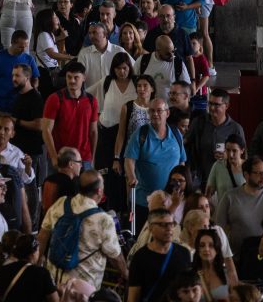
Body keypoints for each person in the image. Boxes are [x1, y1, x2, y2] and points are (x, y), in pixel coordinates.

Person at [37, 171, 127, 289]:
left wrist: (37, 265)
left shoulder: (61, 203)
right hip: (83, 287)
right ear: (99, 191)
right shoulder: (104, 219)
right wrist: (126, 273)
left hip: (54, 282)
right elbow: (115, 256)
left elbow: (42, 237)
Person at [124, 99, 186, 229]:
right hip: (143, 202)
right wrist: (131, 177)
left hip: (170, 201)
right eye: (152, 111)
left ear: (167, 113)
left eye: (159, 111)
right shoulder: (140, 134)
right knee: (140, 236)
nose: (155, 114)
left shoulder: (176, 134)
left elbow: (182, 161)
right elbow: (129, 160)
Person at [87, 52, 136, 214]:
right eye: (118, 69)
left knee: (123, 174)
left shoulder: (136, 83)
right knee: (105, 173)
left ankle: (124, 210)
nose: (122, 72)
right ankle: (104, 208)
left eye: (124, 68)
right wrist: (96, 117)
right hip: (107, 133)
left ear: (129, 68)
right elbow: (87, 93)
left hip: (127, 135)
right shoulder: (107, 82)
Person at [215, 156, 263, 256]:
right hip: (240, 256)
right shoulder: (230, 197)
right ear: (246, 175)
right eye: (258, 173)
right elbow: (218, 229)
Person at [10, 64, 48, 228]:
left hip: (32, 151)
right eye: (13, 75)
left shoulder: (35, 98)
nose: (14, 79)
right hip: (18, 150)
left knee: (31, 190)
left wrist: (16, 122)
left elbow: (39, 125)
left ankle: (32, 225)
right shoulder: (18, 96)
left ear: (27, 77)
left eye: (17, 76)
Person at [126, 209, 193, 302]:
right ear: (150, 228)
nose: (169, 228)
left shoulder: (184, 253)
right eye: (163, 225)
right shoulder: (140, 257)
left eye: (171, 224)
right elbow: (133, 296)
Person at [42, 62, 98, 171]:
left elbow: (93, 132)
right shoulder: (55, 99)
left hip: (84, 157)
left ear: (84, 78)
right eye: (69, 77)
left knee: (85, 188)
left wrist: (93, 157)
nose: (72, 81)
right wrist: (54, 157)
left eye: (76, 77)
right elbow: (46, 130)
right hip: (61, 157)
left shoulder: (92, 101)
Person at [0, 31, 40, 133]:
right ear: (12, 43)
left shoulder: (29, 59)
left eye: (25, 47)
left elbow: (35, 79)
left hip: (17, 109)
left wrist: (32, 92)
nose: (23, 50)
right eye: (20, 47)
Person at [185, 90, 245, 188]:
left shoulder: (235, 129)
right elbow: (186, 144)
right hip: (200, 181)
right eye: (210, 104)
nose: (212, 108)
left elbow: (244, 157)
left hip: (226, 182)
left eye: (217, 105)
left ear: (226, 106)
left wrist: (229, 155)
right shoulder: (199, 123)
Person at [0, 234, 58, 302]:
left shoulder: (0, 271)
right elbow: (55, 300)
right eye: (38, 250)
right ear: (33, 253)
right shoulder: (43, 274)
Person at [135, 36, 192, 101]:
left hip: (171, 108)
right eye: (167, 54)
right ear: (158, 51)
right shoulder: (143, 61)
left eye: (173, 51)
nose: (172, 55)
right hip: (148, 107)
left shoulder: (178, 63)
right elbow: (133, 81)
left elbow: (186, 87)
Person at [76, 23, 126, 88]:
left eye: (94, 32)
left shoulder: (119, 51)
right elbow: (79, 76)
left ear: (105, 34)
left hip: (115, 95)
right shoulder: (84, 53)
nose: (91, 36)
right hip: (92, 95)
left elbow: (133, 69)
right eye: (89, 33)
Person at [205, 133, 247, 205]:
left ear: (242, 150)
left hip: (243, 212)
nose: (230, 154)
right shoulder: (218, 166)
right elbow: (208, 192)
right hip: (223, 212)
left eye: (234, 151)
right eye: (228, 150)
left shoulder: (249, 166)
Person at [193, 229, 234, 301]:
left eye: (211, 245)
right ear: (198, 249)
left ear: (217, 249)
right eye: (202, 245)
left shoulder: (228, 274)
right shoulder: (190, 275)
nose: (206, 249)